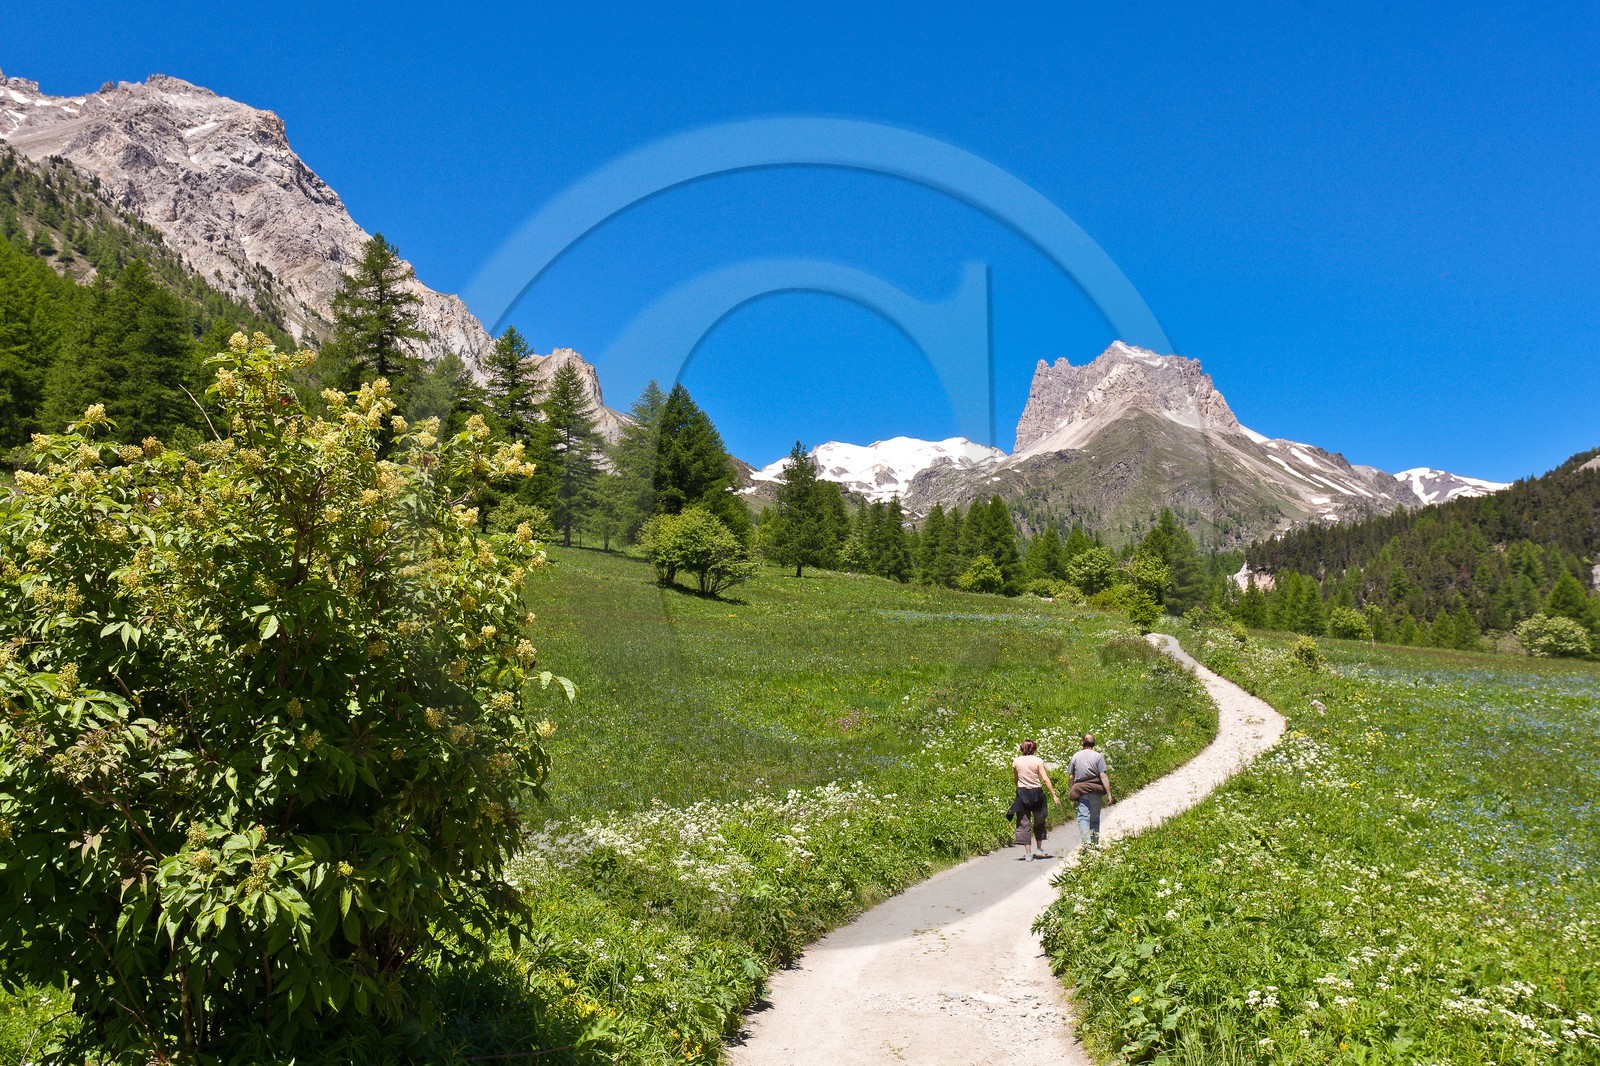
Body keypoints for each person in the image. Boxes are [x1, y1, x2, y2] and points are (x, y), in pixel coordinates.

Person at [1011, 740, 1061, 861]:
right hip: (1036, 793)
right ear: (1033, 749)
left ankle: (1028, 854)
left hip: (1022, 793)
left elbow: (1016, 779)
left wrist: (1019, 789)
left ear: (1022, 748)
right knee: (1039, 821)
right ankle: (1039, 849)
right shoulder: (1038, 761)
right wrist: (1054, 795)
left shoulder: (1016, 761)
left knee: (1024, 823)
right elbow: (1045, 779)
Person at [1067, 733, 1113, 848]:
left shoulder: (1076, 756)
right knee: (1095, 818)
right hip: (1096, 789)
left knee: (1083, 817)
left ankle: (1086, 841)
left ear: (1082, 742)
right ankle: (1094, 843)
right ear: (1094, 743)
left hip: (1081, 790)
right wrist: (1109, 793)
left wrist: (1072, 790)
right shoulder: (1098, 756)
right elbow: (1103, 776)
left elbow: (1071, 777)